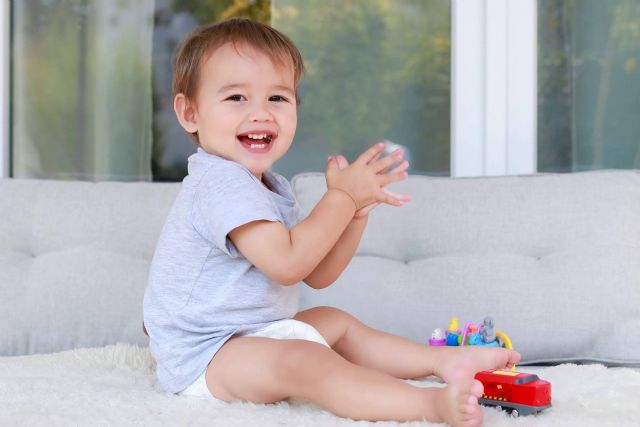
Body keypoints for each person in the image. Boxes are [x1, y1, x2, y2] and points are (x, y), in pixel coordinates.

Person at [142, 18, 520, 426]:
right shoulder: (219, 183)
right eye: (236, 97)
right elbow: (288, 265)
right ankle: (427, 406)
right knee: (303, 360)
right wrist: (340, 198)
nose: (261, 113)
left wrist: (353, 215)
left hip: (250, 334)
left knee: (335, 322)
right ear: (190, 113)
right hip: (204, 355)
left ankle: (442, 359)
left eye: (277, 98)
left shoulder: (267, 185)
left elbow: (317, 273)